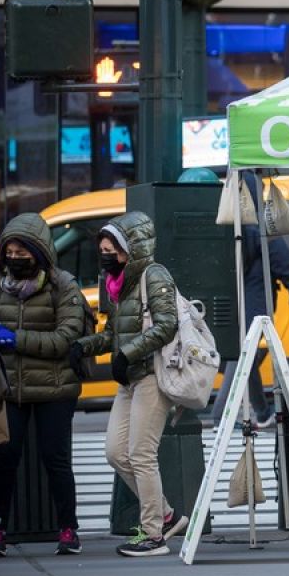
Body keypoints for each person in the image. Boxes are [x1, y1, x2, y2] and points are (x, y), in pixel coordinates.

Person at [71, 212, 189, 557]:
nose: (105, 255)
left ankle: (153, 534)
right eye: (103, 249)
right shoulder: (115, 283)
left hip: (152, 375)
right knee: (115, 452)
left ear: (131, 249)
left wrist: (127, 353)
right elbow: (112, 333)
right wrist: (83, 346)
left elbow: (166, 325)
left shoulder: (154, 276)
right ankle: (165, 516)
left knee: (140, 454)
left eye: (112, 249)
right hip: (129, 378)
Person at [0, 214, 88, 557]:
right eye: (10, 252)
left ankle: (68, 529)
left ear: (39, 252)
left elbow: (65, 338)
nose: (14, 258)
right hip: (10, 388)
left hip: (55, 388)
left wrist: (16, 339)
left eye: (22, 252)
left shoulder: (64, 285)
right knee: (2, 458)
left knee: (55, 458)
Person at [212, 172, 289, 428]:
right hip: (258, 299)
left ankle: (261, 412)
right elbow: (281, 258)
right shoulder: (261, 223)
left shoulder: (231, 221)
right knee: (243, 354)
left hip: (233, 300)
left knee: (242, 353)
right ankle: (222, 415)